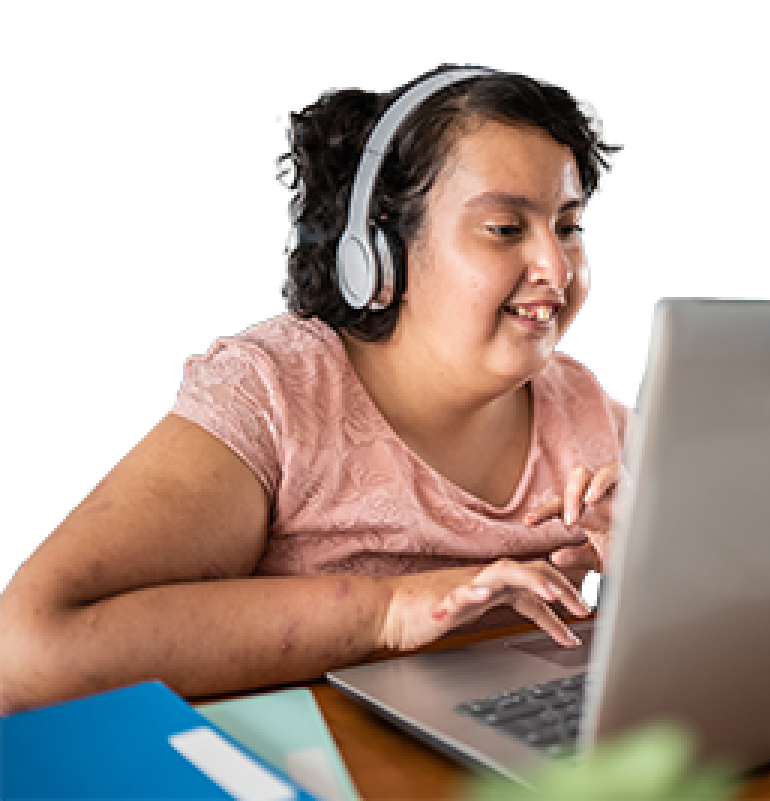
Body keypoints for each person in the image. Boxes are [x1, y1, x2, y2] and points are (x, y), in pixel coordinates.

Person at [0, 66, 626, 714]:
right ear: (381, 251)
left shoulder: (585, 411)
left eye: (568, 226)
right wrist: (388, 611)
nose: (555, 267)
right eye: (505, 227)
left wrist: (662, 561)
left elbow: (731, 593)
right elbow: (28, 647)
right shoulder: (275, 395)